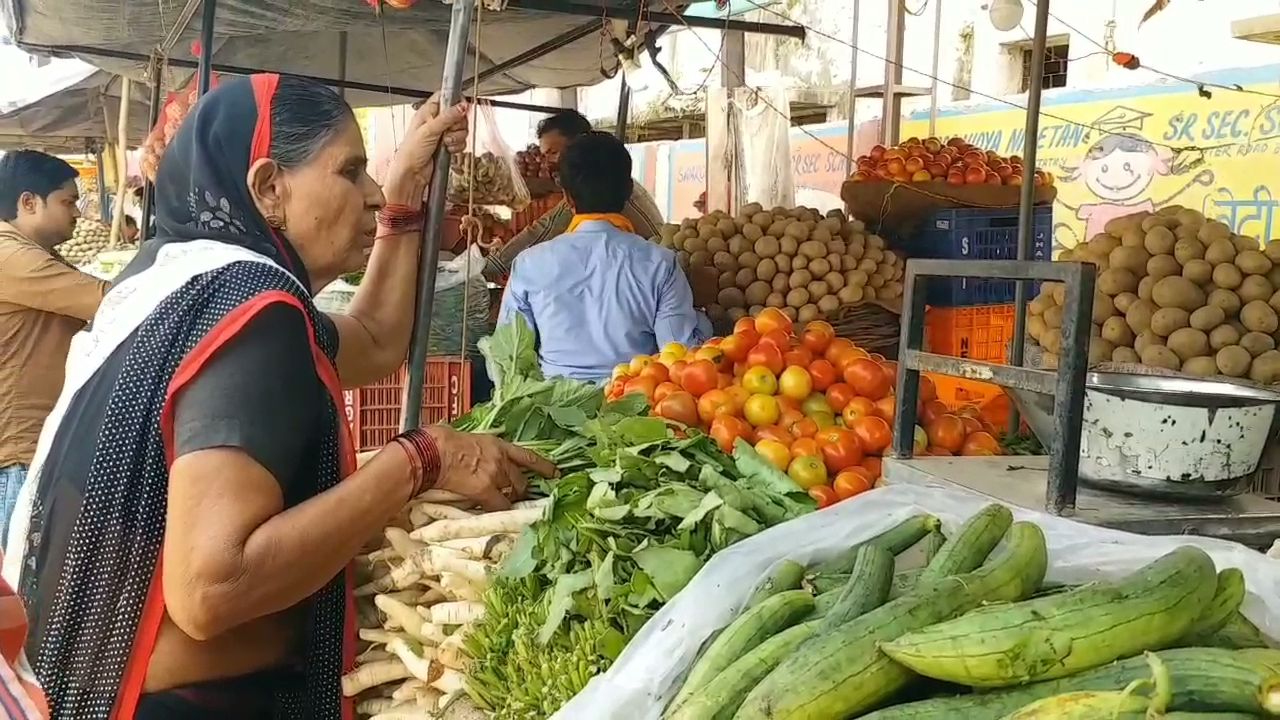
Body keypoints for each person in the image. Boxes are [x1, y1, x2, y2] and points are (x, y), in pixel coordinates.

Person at [3, 75, 556, 720]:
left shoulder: (175, 279)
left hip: (83, 686)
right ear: (269, 188)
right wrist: (419, 460)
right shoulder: (253, 314)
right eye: (351, 172)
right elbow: (211, 586)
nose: (371, 194)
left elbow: (375, 340)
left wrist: (405, 193)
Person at [498, 131, 707, 382]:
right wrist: (702, 315)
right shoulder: (660, 264)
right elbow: (679, 354)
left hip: (550, 412)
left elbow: (507, 360)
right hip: (635, 412)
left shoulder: (529, 264)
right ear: (629, 190)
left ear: (566, 197)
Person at [482, 110, 717, 297]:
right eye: (544, 155)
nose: (548, 162)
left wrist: (490, 266)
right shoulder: (608, 183)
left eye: (553, 152)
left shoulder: (597, 188)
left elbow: (543, 230)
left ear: (580, 146)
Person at [0, 150, 111, 543]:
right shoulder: (10, 256)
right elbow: (106, 299)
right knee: (20, 589)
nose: (77, 212)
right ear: (29, 202)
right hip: (19, 451)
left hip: (36, 443)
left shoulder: (36, 254)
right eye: (67, 201)